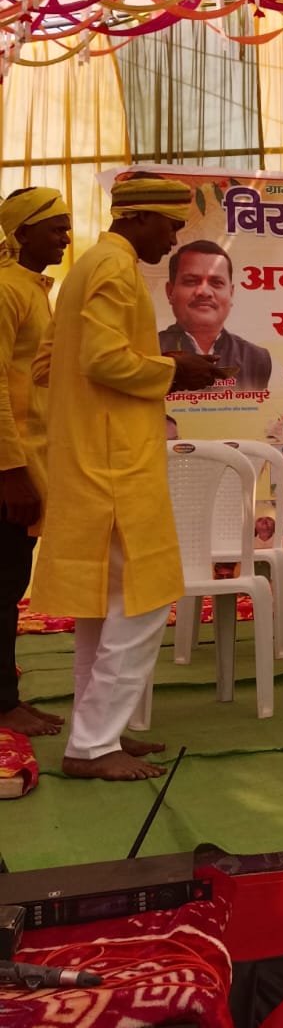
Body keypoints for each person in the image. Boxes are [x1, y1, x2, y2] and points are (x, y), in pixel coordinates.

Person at [30, 175, 219, 781]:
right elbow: (101, 359)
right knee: (145, 598)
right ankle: (92, 745)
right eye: (171, 225)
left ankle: (97, 732)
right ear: (138, 218)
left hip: (90, 455)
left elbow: (47, 364)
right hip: (115, 464)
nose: (175, 239)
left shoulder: (89, 266)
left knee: (105, 604)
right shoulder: (113, 270)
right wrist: (173, 368)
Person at [0, 187, 72, 738]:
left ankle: (8, 697)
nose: (66, 237)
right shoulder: (6, 290)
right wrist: (11, 471)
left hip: (29, 464)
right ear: (22, 233)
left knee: (8, 585)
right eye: (55, 228)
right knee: (2, 587)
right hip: (11, 470)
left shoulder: (33, 289)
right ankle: (3, 705)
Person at [158, 239, 271, 391]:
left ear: (231, 293)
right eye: (191, 281)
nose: (204, 292)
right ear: (170, 292)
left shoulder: (255, 358)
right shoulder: (148, 351)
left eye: (216, 282)